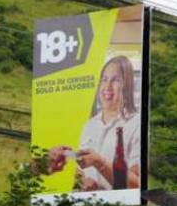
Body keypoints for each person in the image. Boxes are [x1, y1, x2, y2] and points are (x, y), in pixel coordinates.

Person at [46, 55, 141, 192]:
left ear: (127, 85)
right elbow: (80, 174)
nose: (107, 86)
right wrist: (81, 182)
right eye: (104, 79)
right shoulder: (89, 126)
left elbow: (137, 185)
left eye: (116, 80)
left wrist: (100, 163)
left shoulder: (136, 124)